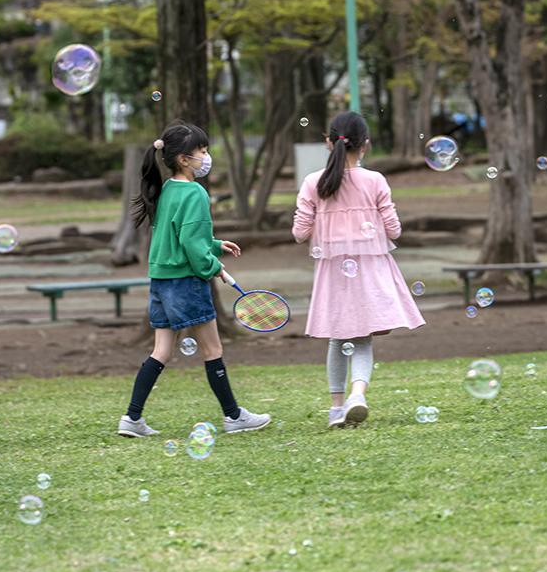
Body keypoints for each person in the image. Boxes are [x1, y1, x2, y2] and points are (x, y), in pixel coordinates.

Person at [117, 122, 270, 437]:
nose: (207, 156)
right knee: (212, 350)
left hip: (160, 283)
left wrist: (215, 246)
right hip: (186, 282)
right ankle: (234, 416)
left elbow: (181, 236)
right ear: (184, 159)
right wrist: (211, 264)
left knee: (161, 351)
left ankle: (131, 419)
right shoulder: (196, 192)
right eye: (202, 151)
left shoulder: (168, 189)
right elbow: (190, 245)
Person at [292, 112, 425, 428]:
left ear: (329, 143)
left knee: (338, 338)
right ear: (364, 145)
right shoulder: (376, 180)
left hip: (333, 271)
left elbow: (299, 232)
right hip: (370, 269)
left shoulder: (313, 182)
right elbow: (393, 231)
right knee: (363, 339)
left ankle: (337, 409)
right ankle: (358, 395)